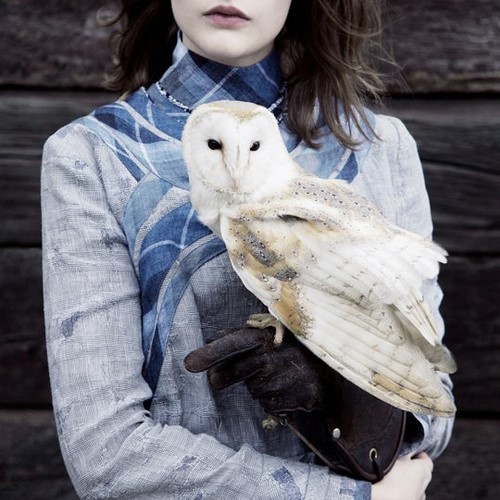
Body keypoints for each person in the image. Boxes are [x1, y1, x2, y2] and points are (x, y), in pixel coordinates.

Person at [41, 1, 454, 498]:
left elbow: (434, 404)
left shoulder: (379, 145)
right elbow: (104, 454)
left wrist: (339, 390)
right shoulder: (96, 155)